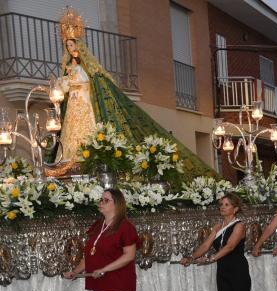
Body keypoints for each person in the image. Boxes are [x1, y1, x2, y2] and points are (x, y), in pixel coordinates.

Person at [52, 9, 212, 177]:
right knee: (71, 131)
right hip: (74, 104)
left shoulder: (87, 66)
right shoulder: (69, 67)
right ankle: (69, 158)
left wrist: (71, 81)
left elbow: (86, 80)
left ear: (78, 45)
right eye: (67, 46)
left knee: (86, 128)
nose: (70, 49)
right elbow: (64, 85)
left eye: (72, 45)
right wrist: (62, 83)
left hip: (84, 101)